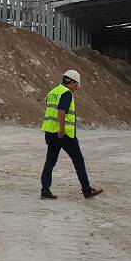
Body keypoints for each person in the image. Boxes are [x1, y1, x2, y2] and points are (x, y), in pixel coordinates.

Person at [40, 69, 103, 200]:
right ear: (71, 81)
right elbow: (61, 112)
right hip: (64, 134)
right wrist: (62, 130)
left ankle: (45, 191)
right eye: (76, 84)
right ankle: (87, 190)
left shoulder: (53, 91)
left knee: (50, 162)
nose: (77, 87)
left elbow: (49, 109)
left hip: (50, 132)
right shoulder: (67, 93)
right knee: (78, 160)